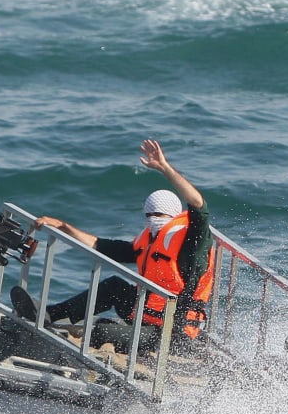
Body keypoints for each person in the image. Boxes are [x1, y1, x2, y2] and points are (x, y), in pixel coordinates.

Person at [11, 139, 214, 352]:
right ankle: (49, 314)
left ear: (174, 217)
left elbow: (199, 205)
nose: (154, 220)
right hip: (147, 316)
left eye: (160, 215)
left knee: (100, 332)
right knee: (113, 286)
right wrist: (63, 226)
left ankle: (100, 344)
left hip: (174, 331)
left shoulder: (193, 242)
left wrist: (164, 168)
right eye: (149, 215)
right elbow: (102, 246)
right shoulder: (150, 242)